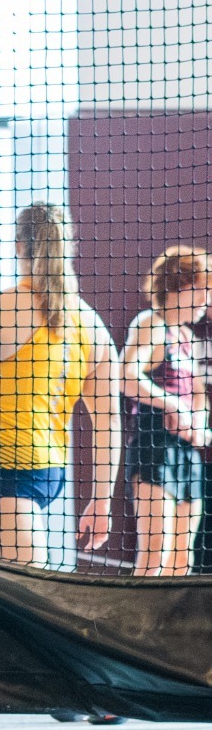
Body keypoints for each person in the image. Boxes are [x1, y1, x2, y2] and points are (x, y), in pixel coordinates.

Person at [0, 202, 120, 570]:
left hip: (5, 467)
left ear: (19, 246)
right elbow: (108, 420)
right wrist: (101, 500)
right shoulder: (91, 324)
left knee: (21, 594)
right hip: (47, 471)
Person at [118, 247, 211, 577]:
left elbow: (199, 393)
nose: (207, 299)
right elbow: (127, 374)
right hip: (154, 449)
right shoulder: (151, 324)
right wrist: (170, 403)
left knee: (180, 562)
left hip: (187, 455)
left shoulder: (187, 336)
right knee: (155, 557)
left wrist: (199, 422)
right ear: (182, 285)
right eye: (204, 289)